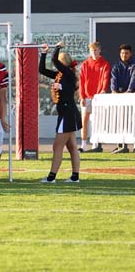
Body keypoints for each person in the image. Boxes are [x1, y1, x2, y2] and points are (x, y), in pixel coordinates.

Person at [39, 43, 81, 183]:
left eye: (60, 62)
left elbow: (68, 91)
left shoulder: (68, 74)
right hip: (66, 112)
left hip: (68, 113)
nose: (57, 65)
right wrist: (44, 53)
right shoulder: (60, 74)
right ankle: (75, 176)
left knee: (57, 146)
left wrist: (56, 48)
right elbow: (42, 69)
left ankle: (52, 177)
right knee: (72, 146)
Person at [77, 41, 111, 153]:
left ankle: (95, 144)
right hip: (87, 96)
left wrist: (103, 90)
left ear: (99, 50)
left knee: (97, 121)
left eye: (95, 50)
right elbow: (81, 81)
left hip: (98, 97)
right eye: (92, 50)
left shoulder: (105, 63)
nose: (94, 52)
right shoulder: (85, 64)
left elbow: (106, 79)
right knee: (84, 121)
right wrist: (82, 96)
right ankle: (83, 145)